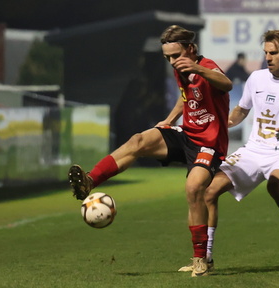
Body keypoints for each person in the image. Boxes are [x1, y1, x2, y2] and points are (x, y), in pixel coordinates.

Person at [68, 24, 232, 277]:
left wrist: (198, 68)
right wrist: (169, 120)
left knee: (193, 187)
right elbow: (186, 96)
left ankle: (201, 259)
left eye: (176, 55)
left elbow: (226, 83)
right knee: (137, 141)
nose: (173, 61)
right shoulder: (182, 69)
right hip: (187, 134)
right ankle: (91, 180)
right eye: (168, 57)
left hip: (209, 144)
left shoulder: (206, 66)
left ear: (191, 48)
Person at [178, 29, 279, 273]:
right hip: (254, 149)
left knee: (276, 186)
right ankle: (206, 258)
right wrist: (222, 121)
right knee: (209, 191)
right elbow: (241, 110)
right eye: (266, 52)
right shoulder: (256, 78)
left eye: (274, 53)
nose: (268, 57)